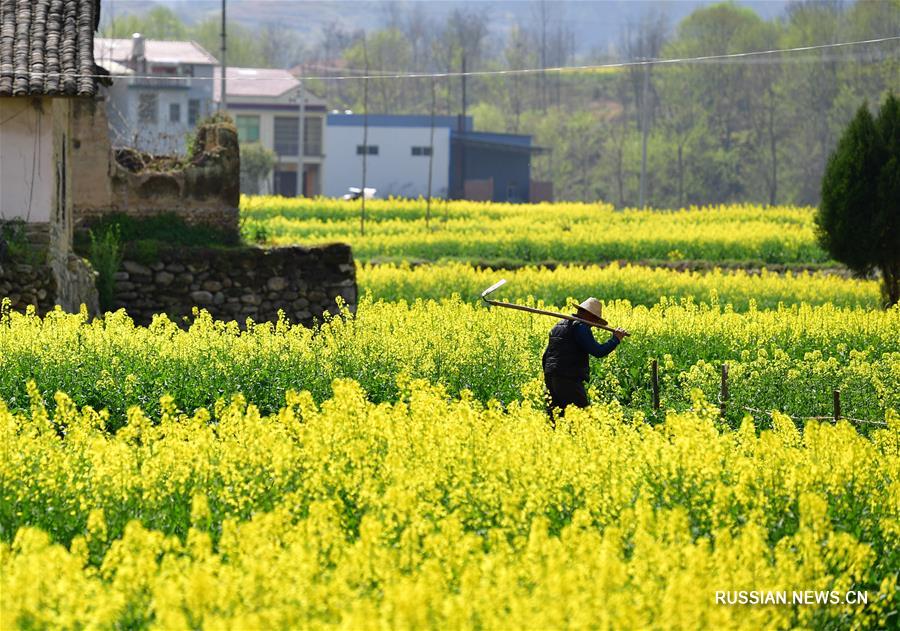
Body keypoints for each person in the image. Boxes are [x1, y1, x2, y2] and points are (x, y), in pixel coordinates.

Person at [541, 297, 627, 420]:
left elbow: (546, 355)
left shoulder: (559, 325)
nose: (595, 324)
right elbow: (598, 351)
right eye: (595, 319)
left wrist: (549, 374)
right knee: (583, 420)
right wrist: (615, 339)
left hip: (551, 378)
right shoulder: (580, 327)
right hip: (568, 380)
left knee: (556, 420)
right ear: (590, 316)